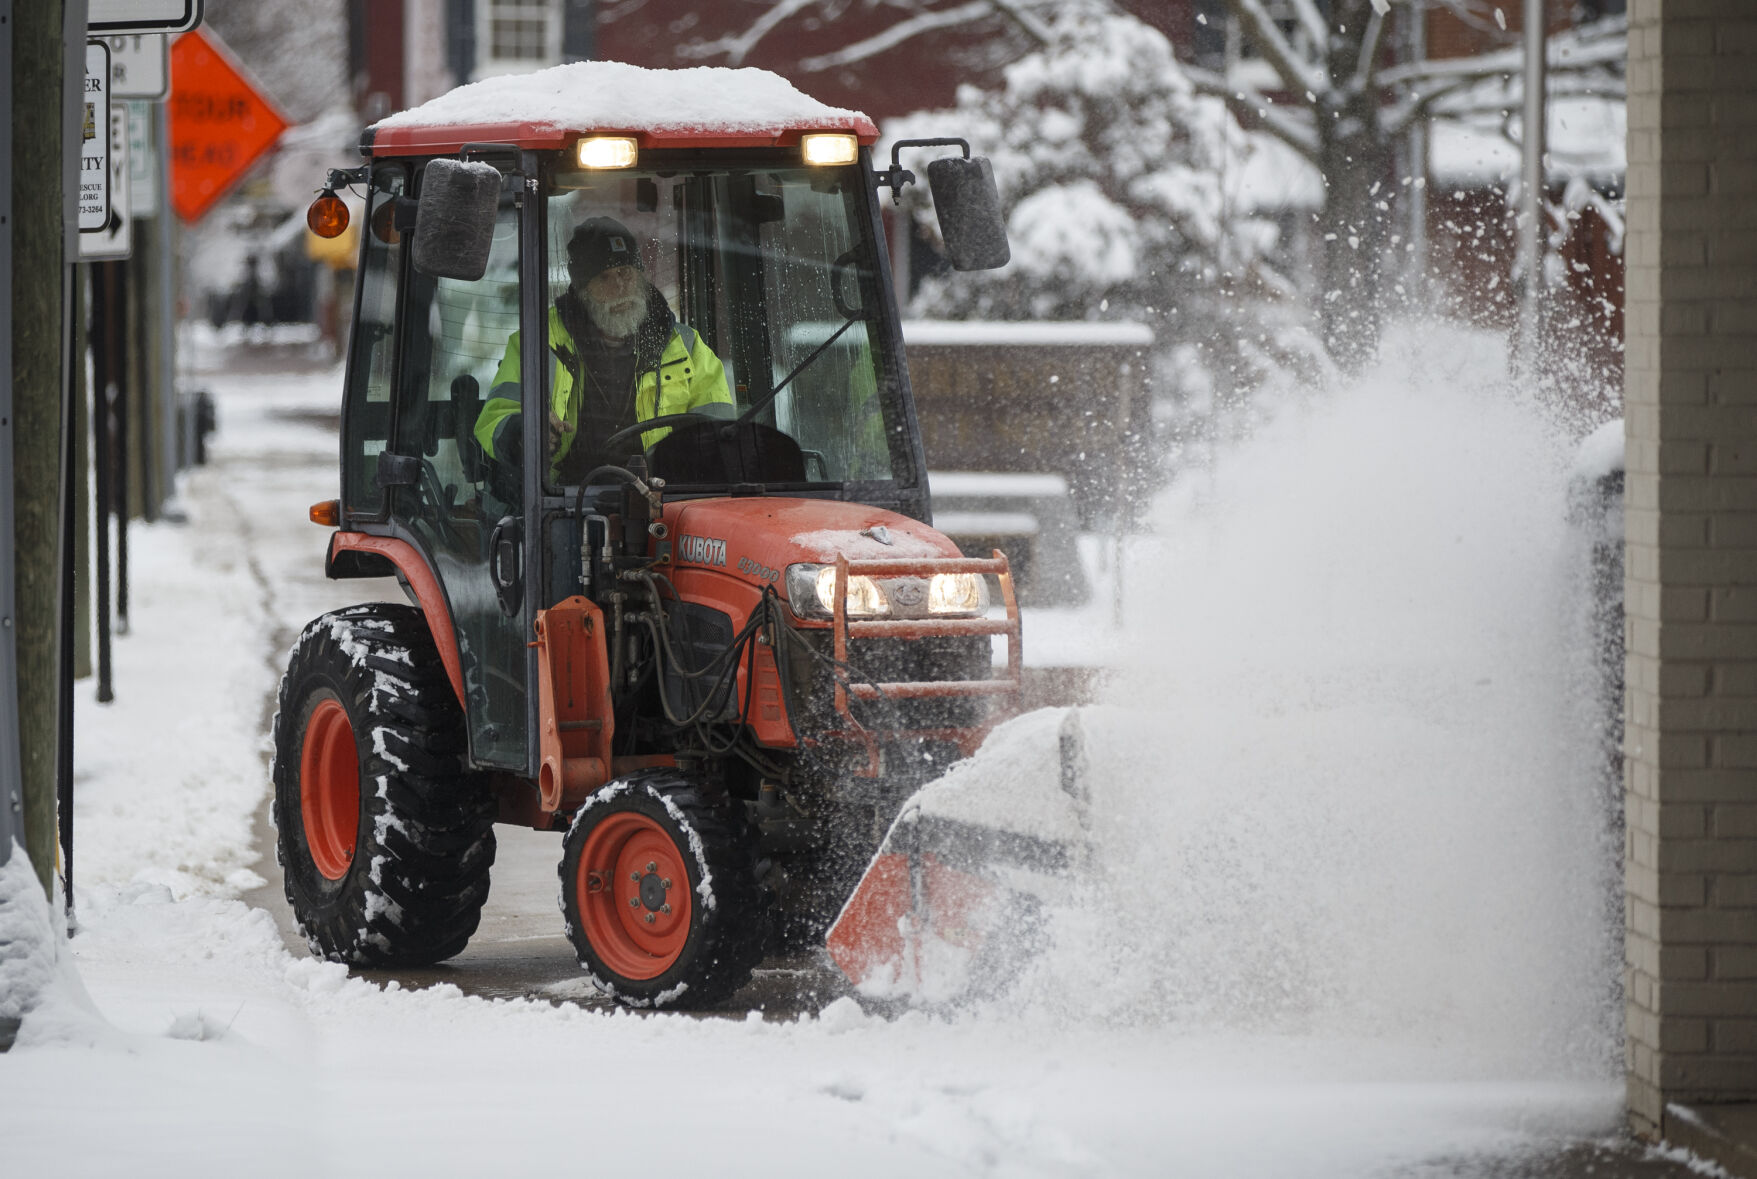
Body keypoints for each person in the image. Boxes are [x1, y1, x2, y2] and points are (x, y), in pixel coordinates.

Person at [474, 217, 732, 485]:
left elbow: (722, 435)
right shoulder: (539, 341)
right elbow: (496, 418)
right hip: (564, 501)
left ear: (641, 276)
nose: (619, 287)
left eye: (625, 272)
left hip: (664, 500)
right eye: (603, 277)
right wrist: (522, 432)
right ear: (583, 291)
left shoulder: (687, 346)